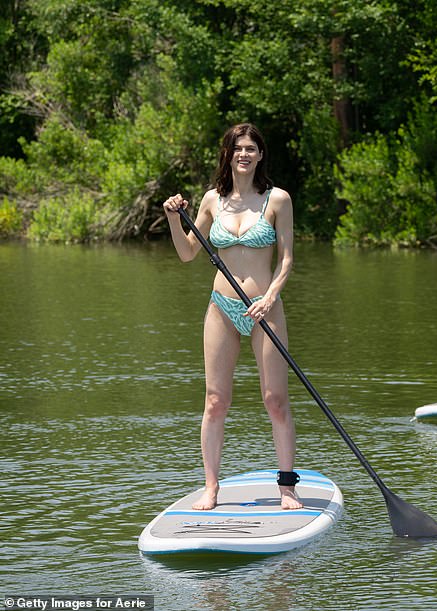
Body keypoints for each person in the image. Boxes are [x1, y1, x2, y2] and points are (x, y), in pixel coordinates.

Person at [163, 123, 303, 510]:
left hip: (265, 306)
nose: (244, 154)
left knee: (275, 399)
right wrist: (175, 219)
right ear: (228, 154)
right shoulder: (211, 200)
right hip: (221, 307)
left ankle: (287, 486)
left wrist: (271, 295)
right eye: (238, 148)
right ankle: (211, 487)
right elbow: (188, 253)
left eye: (252, 148)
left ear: (261, 155)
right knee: (215, 401)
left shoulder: (278, 200)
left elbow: (288, 258)